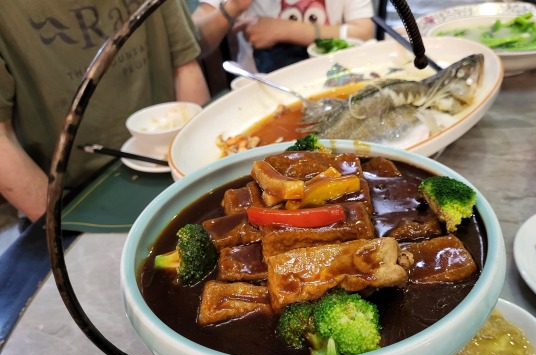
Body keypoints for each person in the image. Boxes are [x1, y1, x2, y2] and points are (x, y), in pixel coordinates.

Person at [0, 0, 211, 223]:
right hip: (71, 194)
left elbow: (184, 65)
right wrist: (60, 226)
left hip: (170, 165)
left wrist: (198, 170)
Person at [191, 0, 374, 73]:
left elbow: (364, 32)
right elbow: (195, 42)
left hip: (336, 78)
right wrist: (233, 7)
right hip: (261, 90)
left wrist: (283, 30)